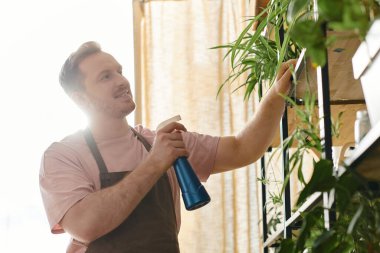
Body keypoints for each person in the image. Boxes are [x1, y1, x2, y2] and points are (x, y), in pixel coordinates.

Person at [39, 41, 296, 253]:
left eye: (119, 71)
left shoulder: (159, 142)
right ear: (80, 98)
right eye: (106, 77)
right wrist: (155, 162)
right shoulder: (63, 156)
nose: (121, 81)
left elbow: (243, 148)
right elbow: (85, 224)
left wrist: (277, 93)